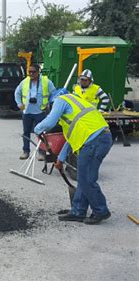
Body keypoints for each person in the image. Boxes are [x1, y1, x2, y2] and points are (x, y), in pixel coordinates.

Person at [34, 88, 113, 224]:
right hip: (101, 138)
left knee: (86, 179)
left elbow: (49, 122)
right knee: (85, 178)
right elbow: (70, 140)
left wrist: (37, 129)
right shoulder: (78, 105)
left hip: (93, 141)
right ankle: (78, 211)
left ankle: (101, 210)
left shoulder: (61, 100)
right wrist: (60, 159)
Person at [15, 64, 56, 160]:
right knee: (26, 133)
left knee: (41, 133)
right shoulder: (25, 82)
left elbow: (54, 94)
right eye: (29, 72)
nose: (31, 74)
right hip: (27, 112)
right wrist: (19, 103)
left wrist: (49, 105)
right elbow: (17, 92)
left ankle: (41, 153)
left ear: (38, 72)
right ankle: (26, 152)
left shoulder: (46, 82)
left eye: (34, 72)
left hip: (40, 112)